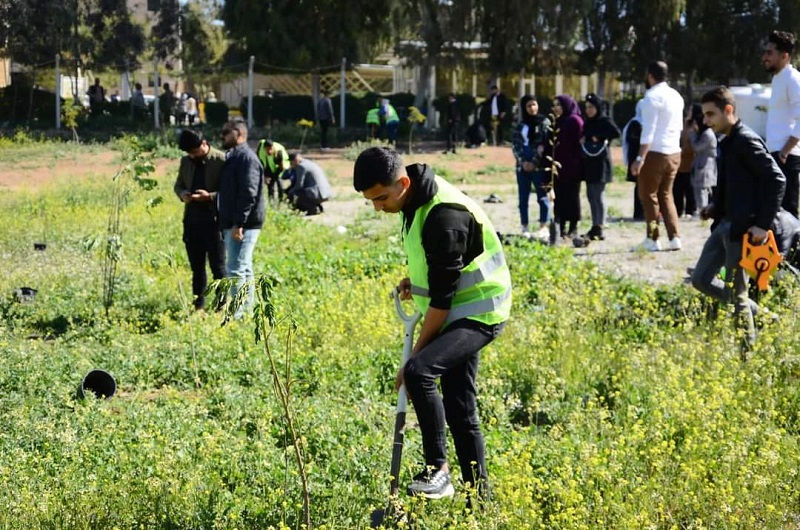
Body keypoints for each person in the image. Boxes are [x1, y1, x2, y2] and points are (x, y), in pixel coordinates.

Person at [352, 147, 511, 505]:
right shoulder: (413, 198)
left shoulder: (444, 216)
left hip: (478, 312)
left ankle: (437, 469)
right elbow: (444, 268)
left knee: (420, 372)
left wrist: (414, 360)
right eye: (371, 201)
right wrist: (417, 280)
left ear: (403, 183)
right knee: (459, 407)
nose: (378, 207)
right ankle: (479, 503)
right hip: (456, 306)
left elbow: (442, 301)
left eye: (381, 198)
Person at [691, 86, 785, 351]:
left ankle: (747, 356)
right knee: (701, 279)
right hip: (725, 225)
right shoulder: (727, 141)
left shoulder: (746, 140)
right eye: (704, 115)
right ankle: (765, 317)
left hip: (743, 230)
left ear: (728, 110)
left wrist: (762, 225)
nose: (706, 121)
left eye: (711, 115)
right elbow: (730, 183)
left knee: (738, 295)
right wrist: (714, 206)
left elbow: (777, 179)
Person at [630, 61, 685, 252]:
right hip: (674, 151)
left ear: (650, 75)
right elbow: (679, 127)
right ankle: (675, 237)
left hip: (655, 152)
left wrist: (640, 158)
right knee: (666, 194)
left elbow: (649, 130)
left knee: (648, 195)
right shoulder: (676, 96)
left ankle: (653, 239)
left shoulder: (651, 96)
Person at [173, 130, 227, 311]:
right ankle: (199, 305)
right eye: (189, 153)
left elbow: (231, 191)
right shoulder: (186, 161)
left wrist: (210, 196)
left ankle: (221, 305)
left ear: (204, 144)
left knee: (218, 267)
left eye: (195, 152)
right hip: (192, 221)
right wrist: (183, 194)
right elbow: (178, 185)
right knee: (197, 268)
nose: (192, 156)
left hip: (214, 221)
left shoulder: (221, 160)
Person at [218, 119, 266, 317]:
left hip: (243, 224)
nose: (222, 137)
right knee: (244, 267)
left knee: (235, 268)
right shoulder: (234, 157)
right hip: (237, 222)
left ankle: (237, 315)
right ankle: (246, 310)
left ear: (238, 134)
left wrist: (239, 223)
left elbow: (249, 193)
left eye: (225, 133)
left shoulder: (246, 159)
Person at [763, 30, 800, 218]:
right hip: (776, 153)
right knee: (777, 212)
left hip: (788, 156)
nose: (764, 57)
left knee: (789, 212)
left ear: (784, 56)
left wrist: (785, 151)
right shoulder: (778, 78)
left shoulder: (793, 79)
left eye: (770, 53)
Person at [577, 93, 620, 243]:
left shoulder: (604, 120)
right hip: (589, 162)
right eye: (587, 107)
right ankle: (594, 225)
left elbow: (616, 132)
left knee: (599, 194)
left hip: (601, 162)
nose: (589, 110)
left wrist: (599, 136)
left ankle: (600, 226)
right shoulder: (587, 122)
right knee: (590, 194)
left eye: (592, 107)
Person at [511, 94, 551, 239]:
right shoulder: (520, 125)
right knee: (523, 198)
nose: (532, 108)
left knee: (542, 196)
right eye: (528, 105)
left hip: (538, 165)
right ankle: (524, 226)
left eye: (534, 104)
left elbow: (543, 144)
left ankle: (543, 226)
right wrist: (523, 161)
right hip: (522, 166)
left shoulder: (544, 123)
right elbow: (515, 144)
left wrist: (534, 162)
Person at [549, 94, 584, 238]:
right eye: (555, 105)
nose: (556, 108)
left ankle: (573, 227)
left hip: (573, 166)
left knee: (572, 197)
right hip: (557, 166)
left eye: (559, 105)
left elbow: (580, 142)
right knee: (559, 197)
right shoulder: (556, 122)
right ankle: (560, 226)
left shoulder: (575, 121)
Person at [689, 106, 718, 213]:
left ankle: (703, 211)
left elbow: (697, 147)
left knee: (702, 189)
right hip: (701, 163)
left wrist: (692, 134)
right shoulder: (704, 133)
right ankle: (701, 210)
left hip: (705, 164)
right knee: (699, 189)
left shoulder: (707, 134)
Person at [622, 100, 645, 220]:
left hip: (641, 159)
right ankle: (639, 213)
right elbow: (633, 142)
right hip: (637, 160)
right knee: (640, 187)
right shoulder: (635, 123)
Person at [674, 105, 698, 218]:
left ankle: (690, 210)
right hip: (679, 162)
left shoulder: (694, 127)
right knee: (677, 188)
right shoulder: (684, 125)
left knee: (689, 188)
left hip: (689, 162)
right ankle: (678, 210)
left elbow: (690, 146)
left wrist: (680, 152)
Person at [256, 139, 290, 203]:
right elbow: (260, 162)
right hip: (268, 166)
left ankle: (281, 201)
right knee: (270, 186)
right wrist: (265, 175)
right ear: (264, 148)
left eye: (271, 149)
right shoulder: (261, 149)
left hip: (279, 168)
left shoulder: (278, 151)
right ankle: (271, 201)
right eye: (267, 149)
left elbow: (281, 167)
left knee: (279, 184)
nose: (269, 151)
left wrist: (275, 175)